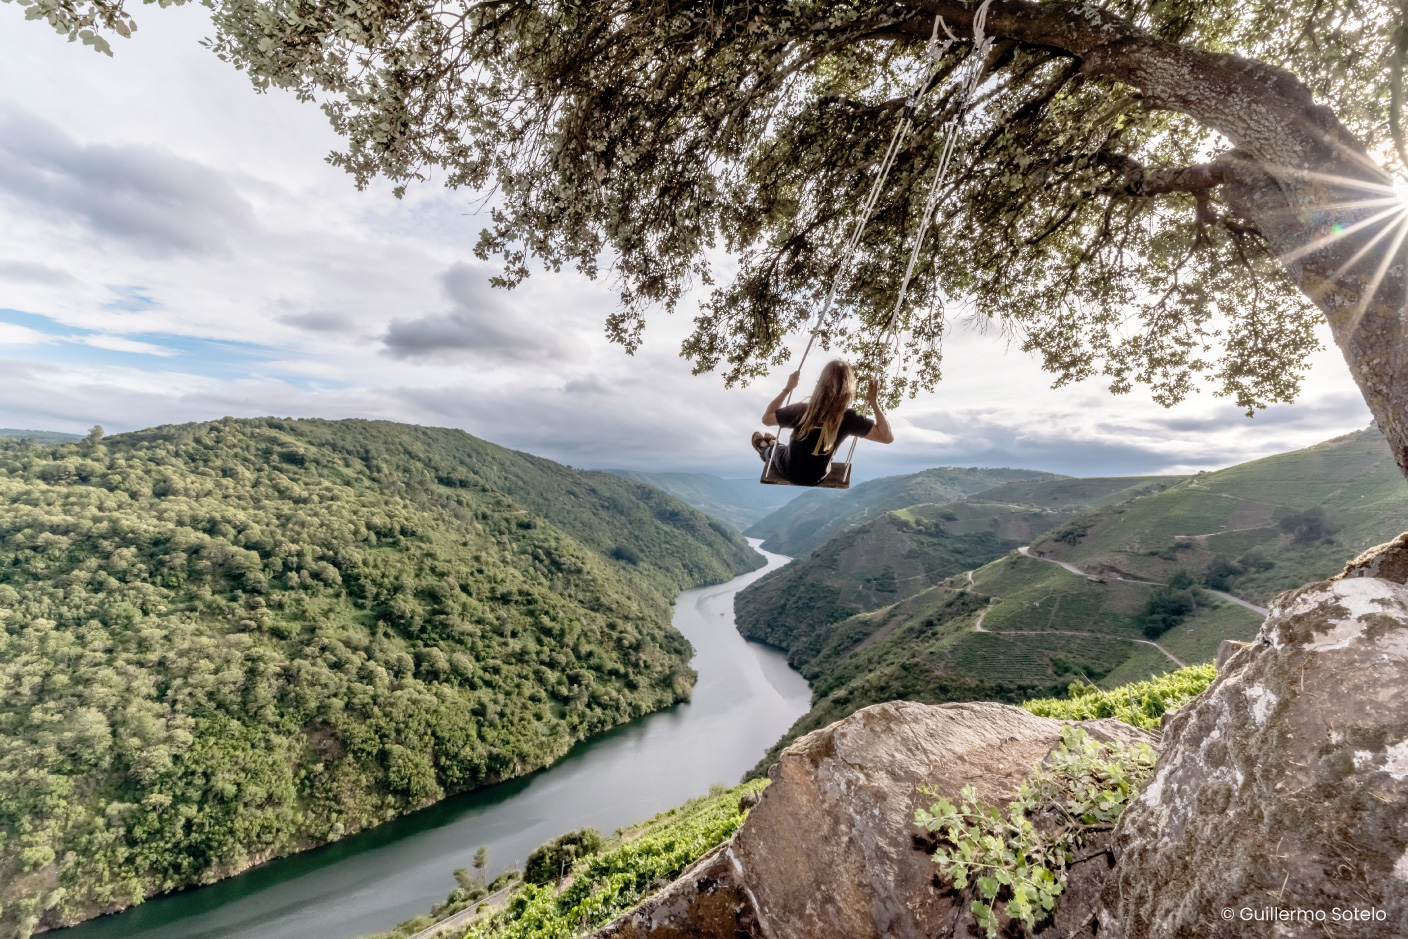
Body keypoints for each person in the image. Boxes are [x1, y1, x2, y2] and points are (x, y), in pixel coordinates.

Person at [752, 359, 894, 486]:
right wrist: (873, 402)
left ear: (821, 384)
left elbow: (767, 419)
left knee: (778, 451)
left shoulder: (802, 411)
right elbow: (886, 437)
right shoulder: (850, 418)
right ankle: (772, 443)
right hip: (817, 477)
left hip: (790, 470)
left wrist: (787, 389)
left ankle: (765, 448)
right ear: (849, 388)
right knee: (786, 450)